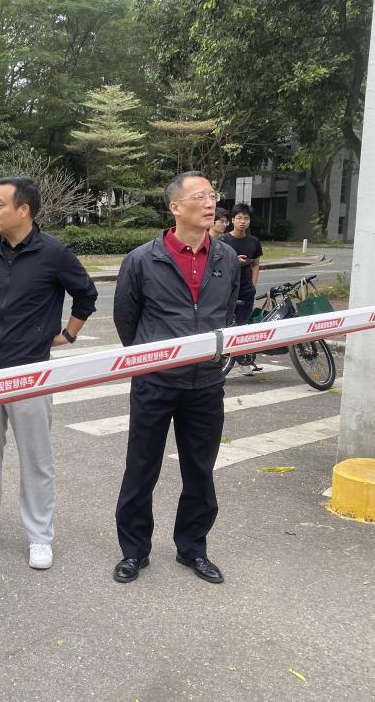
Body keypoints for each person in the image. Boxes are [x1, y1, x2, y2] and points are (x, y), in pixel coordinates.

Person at [0, 176, 98, 570]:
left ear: (24, 210)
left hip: (30, 373)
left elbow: (86, 294)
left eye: (0, 204)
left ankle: (39, 536)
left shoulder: (54, 253)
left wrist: (68, 334)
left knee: (36, 459)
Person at [112, 171, 239, 586]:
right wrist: (153, 359)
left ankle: (193, 548)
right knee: (141, 468)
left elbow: (227, 314)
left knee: (200, 471)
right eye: (199, 196)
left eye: (212, 195)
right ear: (175, 207)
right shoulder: (142, 260)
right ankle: (134, 551)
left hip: (206, 385)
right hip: (155, 383)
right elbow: (126, 320)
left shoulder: (225, 258)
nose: (210, 203)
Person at [220, 203, 263, 327]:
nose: (242, 221)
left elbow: (255, 264)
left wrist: (253, 285)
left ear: (249, 221)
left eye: (246, 218)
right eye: (239, 218)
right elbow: (217, 267)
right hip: (227, 290)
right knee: (226, 324)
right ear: (232, 220)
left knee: (243, 324)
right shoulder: (222, 241)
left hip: (246, 290)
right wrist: (235, 262)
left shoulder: (254, 241)